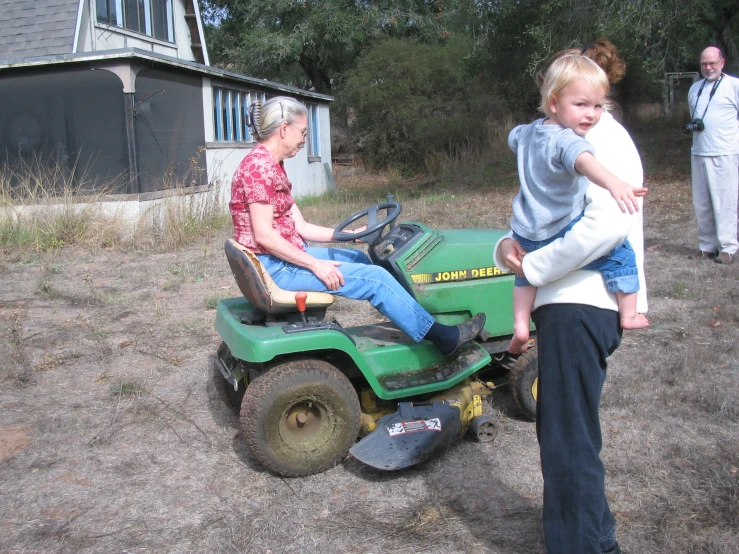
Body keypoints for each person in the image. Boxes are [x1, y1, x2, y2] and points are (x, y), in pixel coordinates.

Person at [494, 37, 646, 554]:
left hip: (581, 302)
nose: (589, 109)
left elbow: (603, 227)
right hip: (568, 298)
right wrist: (509, 245)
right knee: (568, 434)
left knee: (567, 440)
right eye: (579, 99)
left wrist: (531, 265)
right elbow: (537, 212)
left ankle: (581, 546)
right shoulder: (552, 133)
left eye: (593, 100)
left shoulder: (600, 137)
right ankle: (590, 537)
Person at [229, 96, 485, 356]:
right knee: (377, 279)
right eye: (303, 132)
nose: (304, 139)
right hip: (276, 267)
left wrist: (351, 235)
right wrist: (316, 265)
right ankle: (443, 338)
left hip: (281, 257)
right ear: (284, 129)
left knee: (356, 257)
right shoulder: (259, 169)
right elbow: (264, 235)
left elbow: (301, 227)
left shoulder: (272, 164)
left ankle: (414, 318)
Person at [506, 54, 648, 354]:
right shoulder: (567, 139)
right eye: (581, 105)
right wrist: (615, 183)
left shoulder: (528, 132)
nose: (592, 115)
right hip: (559, 230)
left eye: (598, 106)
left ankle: (520, 327)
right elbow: (585, 162)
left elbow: (513, 138)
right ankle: (630, 313)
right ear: (555, 102)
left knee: (522, 278)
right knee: (622, 255)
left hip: (527, 231)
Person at [686, 46, 739, 265]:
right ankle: (706, 246)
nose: (708, 68)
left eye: (712, 63)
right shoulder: (695, 89)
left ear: (722, 63)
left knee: (724, 201)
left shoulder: (734, 85)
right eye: (704, 64)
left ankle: (728, 247)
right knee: (702, 202)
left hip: (725, 151)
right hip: (699, 151)